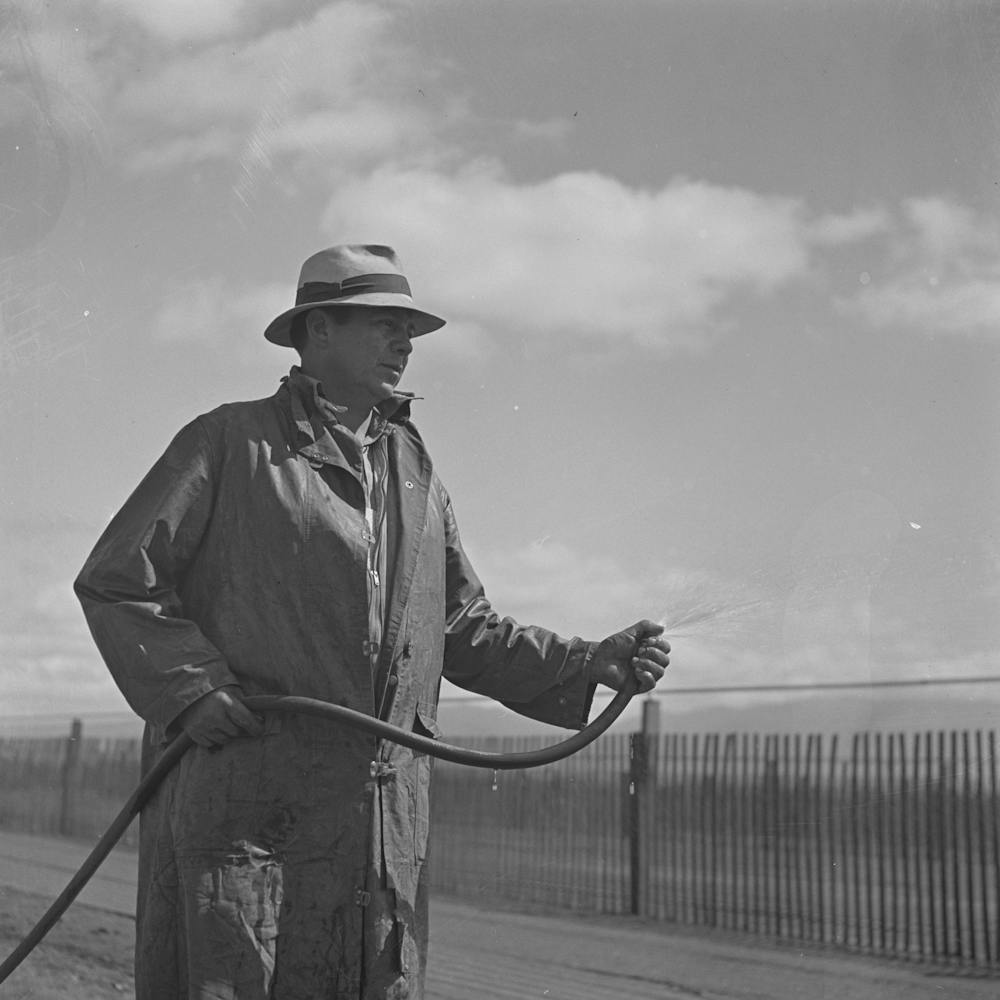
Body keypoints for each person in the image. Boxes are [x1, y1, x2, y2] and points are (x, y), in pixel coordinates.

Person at [75, 244, 670, 1000]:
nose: (406, 343)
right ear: (316, 331)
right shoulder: (227, 444)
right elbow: (118, 578)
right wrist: (189, 688)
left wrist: (586, 663)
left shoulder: (414, 471)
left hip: (379, 831)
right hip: (251, 809)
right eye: (386, 324)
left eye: (409, 330)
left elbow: (459, 626)